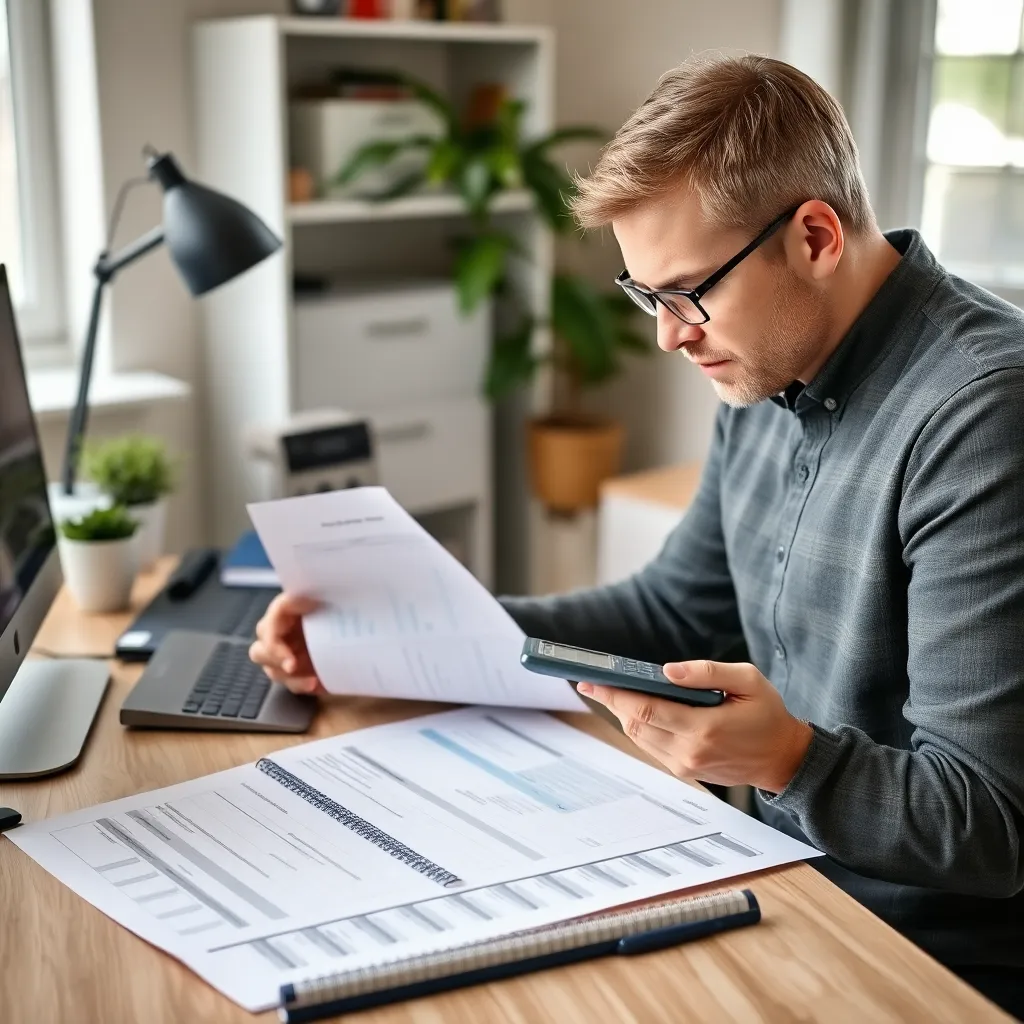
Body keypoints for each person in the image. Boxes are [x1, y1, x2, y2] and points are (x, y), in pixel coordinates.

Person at [250, 54, 1024, 1017]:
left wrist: (788, 760)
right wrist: (401, 626)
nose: (668, 336)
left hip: (918, 960)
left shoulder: (985, 416)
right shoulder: (765, 361)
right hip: (771, 878)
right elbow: (673, 609)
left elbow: (992, 823)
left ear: (816, 236)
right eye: (647, 295)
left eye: (689, 292)